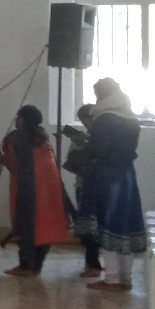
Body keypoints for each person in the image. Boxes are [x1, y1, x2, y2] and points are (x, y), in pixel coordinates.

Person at [73, 78, 146, 291]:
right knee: (124, 224)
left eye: (97, 94)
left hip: (106, 176)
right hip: (126, 175)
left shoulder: (105, 118)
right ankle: (125, 278)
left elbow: (99, 150)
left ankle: (112, 278)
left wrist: (84, 146)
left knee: (107, 224)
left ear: (103, 95)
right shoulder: (130, 118)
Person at [0, 105, 70, 276]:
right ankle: (37, 265)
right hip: (49, 187)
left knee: (26, 223)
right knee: (43, 225)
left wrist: (1, 158)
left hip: (26, 187)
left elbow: (14, 166)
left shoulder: (15, 137)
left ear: (22, 119)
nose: (16, 120)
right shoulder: (43, 136)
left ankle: (26, 266)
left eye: (18, 117)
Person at [63, 104, 105, 277]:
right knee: (87, 225)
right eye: (83, 119)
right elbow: (72, 162)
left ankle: (95, 263)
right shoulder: (81, 137)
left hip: (99, 185)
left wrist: (86, 145)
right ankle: (92, 262)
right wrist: (79, 144)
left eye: (88, 118)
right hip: (83, 184)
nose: (86, 122)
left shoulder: (104, 136)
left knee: (96, 225)